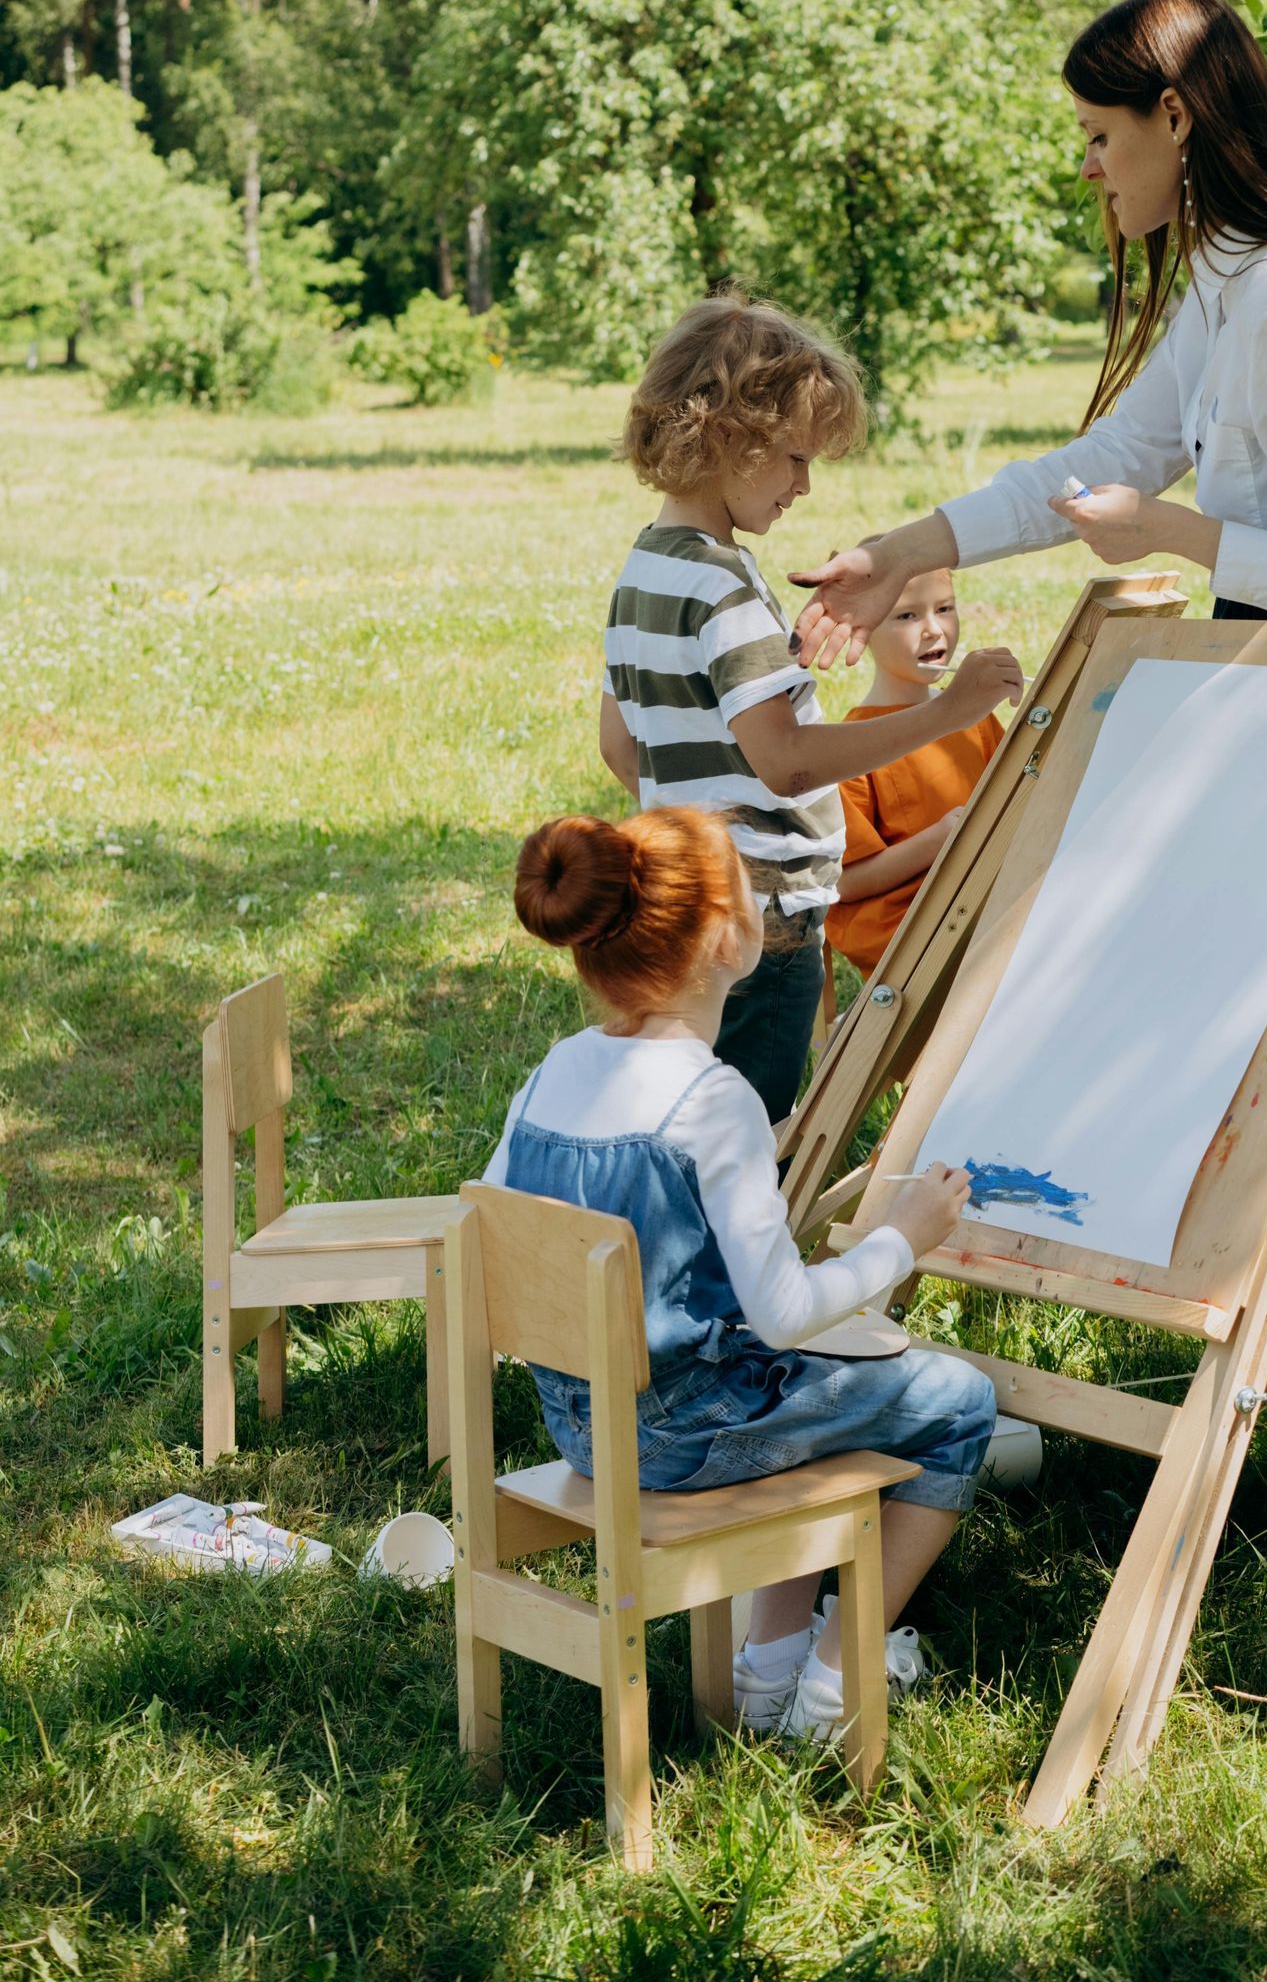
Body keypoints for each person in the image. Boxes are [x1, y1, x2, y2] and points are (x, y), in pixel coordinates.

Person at [791, 0, 1267, 1531]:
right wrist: (900, 548)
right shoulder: (1229, 282)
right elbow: (1099, 466)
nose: (1089, 170)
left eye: (1099, 136)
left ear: (1178, 122)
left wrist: (1186, 537)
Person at [491, 801, 1001, 1738]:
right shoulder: (711, 1098)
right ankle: (836, 1686)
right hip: (687, 1437)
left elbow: (505, 1232)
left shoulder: (550, 1074)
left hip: (577, 1424)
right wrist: (901, 1237)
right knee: (956, 1403)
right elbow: (782, 1315)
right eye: (757, 889)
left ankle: (768, 1667)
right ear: (728, 940)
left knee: (833, 1389)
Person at [597, 292, 1023, 1124]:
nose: (802, 484)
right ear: (727, 435)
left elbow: (623, 748)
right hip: (767, 920)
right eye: (793, 457)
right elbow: (785, 760)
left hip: (690, 901)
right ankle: (738, 1258)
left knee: (688, 1115)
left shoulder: (643, 573)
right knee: (746, 1131)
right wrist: (950, 710)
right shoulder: (723, 583)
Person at [825, 568, 1005, 981]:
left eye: (944, 609)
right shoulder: (851, 746)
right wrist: (940, 839)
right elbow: (846, 883)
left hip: (983, 895)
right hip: (908, 928)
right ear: (861, 628)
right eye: (906, 616)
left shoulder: (975, 717)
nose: (932, 629)